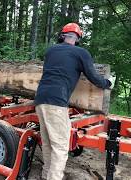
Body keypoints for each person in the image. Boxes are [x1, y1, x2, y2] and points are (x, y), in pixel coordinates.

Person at [34, 23, 115, 180]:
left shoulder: (51, 51)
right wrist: (108, 83)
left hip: (40, 99)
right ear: (77, 38)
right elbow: (93, 77)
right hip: (56, 102)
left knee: (48, 143)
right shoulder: (80, 53)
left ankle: (46, 175)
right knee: (61, 146)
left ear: (62, 36)